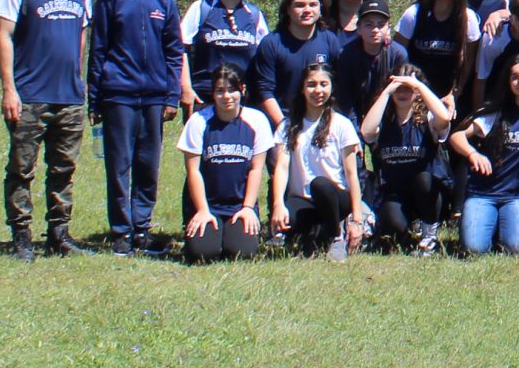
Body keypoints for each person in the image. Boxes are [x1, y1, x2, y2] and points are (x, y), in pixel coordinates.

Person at [88, 0, 185, 255]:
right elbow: (97, 49)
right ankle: (120, 231)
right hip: (118, 94)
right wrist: (94, 97)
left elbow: (175, 51)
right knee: (119, 165)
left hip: (154, 97)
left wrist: (172, 95)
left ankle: (141, 228)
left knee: (148, 164)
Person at [449, 53, 519, 255]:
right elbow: (456, 136)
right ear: (508, 83)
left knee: (515, 248)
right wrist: (473, 153)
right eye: (514, 77)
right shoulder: (494, 113)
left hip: (516, 195)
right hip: (482, 194)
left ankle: (500, 230)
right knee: (473, 249)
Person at [178, 66, 273, 264]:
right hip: (207, 204)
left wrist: (247, 207)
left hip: (239, 205)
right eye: (220, 91)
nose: (226, 96)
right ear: (213, 93)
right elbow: (193, 171)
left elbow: (256, 169)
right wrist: (202, 210)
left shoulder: (257, 120)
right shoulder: (198, 121)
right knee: (202, 254)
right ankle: (203, 227)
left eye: (232, 90)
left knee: (242, 253)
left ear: (243, 90)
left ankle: (232, 230)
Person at [276, 58, 367, 260]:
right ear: (302, 88)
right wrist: (277, 205)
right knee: (291, 220)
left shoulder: (342, 124)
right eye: (311, 84)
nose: (318, 90)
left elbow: (352, 174)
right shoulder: (288, 125)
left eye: (323, 84)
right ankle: (317, 233)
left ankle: (337, 238)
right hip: (303, 199)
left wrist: (357, 218)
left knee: (320, 185)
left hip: (334, 197)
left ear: (331, 87)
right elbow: (281, 168)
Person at [359, 62, 452, 254]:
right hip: (397, 193)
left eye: (408, 89)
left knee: (423, 179)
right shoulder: (385, 121)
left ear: (417, 92)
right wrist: (385, 93)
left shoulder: (427, 119)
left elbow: (444, 117)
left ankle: (429, 235)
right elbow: (366, 131)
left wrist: (418, 85)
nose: (402, 93)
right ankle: (411, 230)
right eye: (398, 89)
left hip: (429, 194)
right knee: (392, 223)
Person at [180, 0, 267, 113]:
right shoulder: (202, 8)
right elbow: (181, 48)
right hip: (204, 96)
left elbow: (264, 58)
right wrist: (186, 87)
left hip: (241, 99)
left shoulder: (254, 15)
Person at [393, 0, 480, 106]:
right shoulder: (414, 14)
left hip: (447, 93)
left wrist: (454, 93)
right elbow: (397, 54)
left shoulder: (467, 18)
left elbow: (469, 61)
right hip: (413, 89)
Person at [250, 0, 335, 125]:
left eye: (313, 5)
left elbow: (336, 87)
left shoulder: (330, 40)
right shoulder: (271, 43)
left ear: (320, 9)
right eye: (299, 5)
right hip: (281, 124)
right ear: (288, 9)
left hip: (319, 125)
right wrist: (284, 129)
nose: (307, 10)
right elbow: (264, 91)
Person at [330, 0, 406, 119]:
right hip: (354, 117)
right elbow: (345, 99)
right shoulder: (345, 55)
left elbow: (400, 96)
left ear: (388, 28)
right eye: (368, 24)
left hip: (388, 117)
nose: (375, 30)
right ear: (358, 28)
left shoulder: (398, 54)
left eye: (381, 25)